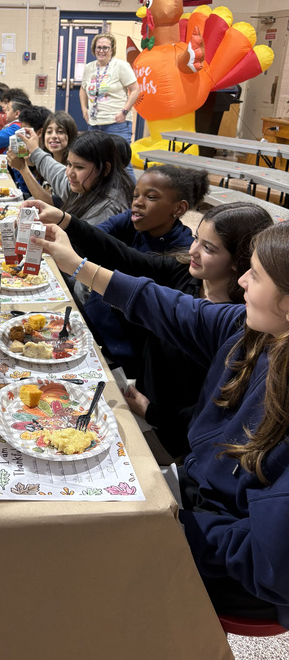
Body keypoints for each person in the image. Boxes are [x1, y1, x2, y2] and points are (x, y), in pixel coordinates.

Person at [35, 220, 289, 627]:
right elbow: (166, 305)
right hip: (203, 500)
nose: (242, 280)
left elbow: (268, 562)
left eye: (255, 275)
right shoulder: (256, 332)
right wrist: (76, 263)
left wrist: (165, 523)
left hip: (237, 569)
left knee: (77, 552)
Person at [29, 198, 273, 458]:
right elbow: (123, 258)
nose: (193, 251)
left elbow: (218, 406)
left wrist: (152, 412)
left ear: (239, 261)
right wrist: (65, 221)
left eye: (208, 248)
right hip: (139, 398)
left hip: (171, 432)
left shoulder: (243, 324)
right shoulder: (184, 273)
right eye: (195, 239)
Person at [80, 165, 210, 373]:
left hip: (122, 353)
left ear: (179, 208)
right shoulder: (133, 221)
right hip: (92, 327)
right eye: (135, 195)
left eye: (150, 197)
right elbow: (93, 237)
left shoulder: (183, 252)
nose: (138, 203)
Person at [18, 129, 133, 225]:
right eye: (69, 164)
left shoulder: (107, 209)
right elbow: (56, 172)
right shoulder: (86, 185)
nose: (69, 173)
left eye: (79, 167)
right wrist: (35, 151)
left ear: (105, 169)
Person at [79, 33, 140, 148]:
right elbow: (83, 88)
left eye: (105, 48)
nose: (101, 51)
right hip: (94, 123)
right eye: (98, 47)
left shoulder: (121, 66)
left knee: (119, 157)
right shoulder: (89, 68)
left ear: (112, 49)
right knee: (96, 157)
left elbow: (135, 89)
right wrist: (84, 108)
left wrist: (124, 112)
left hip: (117, 123)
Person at [8, 110, 77, 203]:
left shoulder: (71, 168)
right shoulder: (44, 160)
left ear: (71, 135)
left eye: (60, 132)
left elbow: (50, 202)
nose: (53, 136)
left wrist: (23, 168)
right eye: (49, 132)